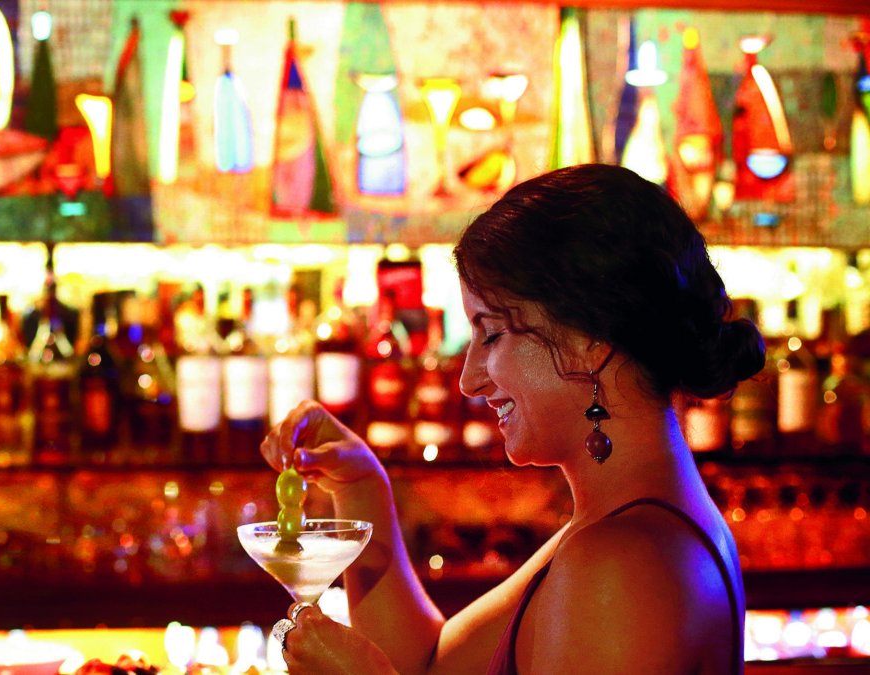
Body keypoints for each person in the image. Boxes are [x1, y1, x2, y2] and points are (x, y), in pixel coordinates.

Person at [260, 164, 764, 674]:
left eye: (492, 333)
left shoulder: (620, 562)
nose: (469, 380)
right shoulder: (621, 526)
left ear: (591, 340)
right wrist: (360, 487)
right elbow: (430, 665)